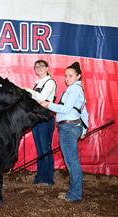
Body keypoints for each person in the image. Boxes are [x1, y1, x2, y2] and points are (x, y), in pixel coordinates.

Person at [40, 62, 89, 202]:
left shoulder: (73, 90)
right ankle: (74, 192)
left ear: (78, 76)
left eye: (71, 75)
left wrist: (48, 104)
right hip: (73, 126)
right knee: (72, 161)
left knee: (71, 162)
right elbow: (83, 112)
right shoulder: (77, 89)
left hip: (68, 128)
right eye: (66, 75)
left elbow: (66, 109)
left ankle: (74, 195)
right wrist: (84, 129)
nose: (67, 78)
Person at [21, 60, 56, 186]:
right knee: (40, 150)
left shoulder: (50, 82)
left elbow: (42, 97)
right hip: (37, 119)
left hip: (45, 119)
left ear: (47, 68)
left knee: (46, 149)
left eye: (41, 66)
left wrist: (28, 90)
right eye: (36, 67)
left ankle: (48, 179)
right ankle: (40, 176)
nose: (39, 68)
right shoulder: (38, 84)